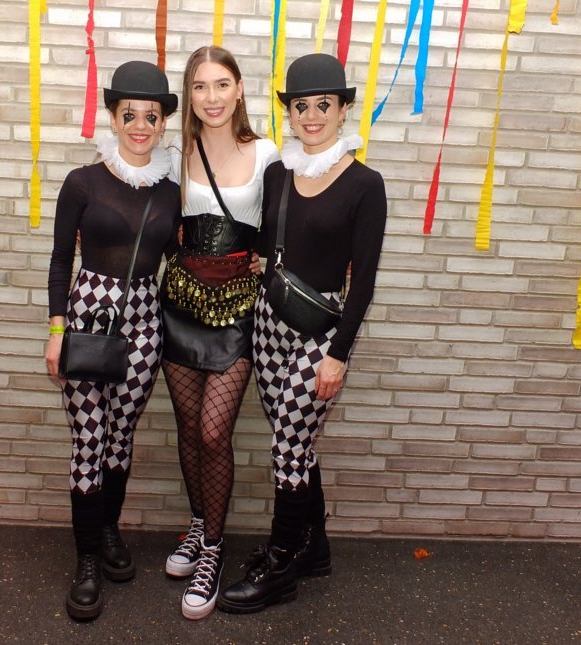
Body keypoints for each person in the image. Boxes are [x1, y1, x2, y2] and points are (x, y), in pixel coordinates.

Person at [218, 53, 387, 614]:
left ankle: (281, 564)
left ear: (342, 110)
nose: (311, 116)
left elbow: (363, 281)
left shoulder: (365, 184)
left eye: (323, 105)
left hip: (322, 332)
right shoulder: (278, 173)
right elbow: (269, 242)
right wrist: (248, 259)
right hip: (270, 326)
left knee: (287, 445)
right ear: (288, 112)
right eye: (300, 106)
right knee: (297, 441)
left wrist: (338, 355)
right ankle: (315, 548)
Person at [45, 60, 180, 622]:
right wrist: (56, 332)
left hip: (145, 325)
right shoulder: (83, 181)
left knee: (120, 439)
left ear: (163, 122)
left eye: (151, 116)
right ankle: (86, 562)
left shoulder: (171, 192)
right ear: (113, 117)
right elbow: (60, 260)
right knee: (88, 442)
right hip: (85, 321)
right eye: (130, 115)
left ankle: (107, 532)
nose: (140, 126)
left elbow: (184, 257)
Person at [160, 45, 280, 620]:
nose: (212, 97)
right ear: (190, 94)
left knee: (213, 434)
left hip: (236, 309)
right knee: (188, 429)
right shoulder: (173, 153)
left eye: (222, 84)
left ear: (239, 89)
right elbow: (157, 222)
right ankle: (198, 524)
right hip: (180, 304)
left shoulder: (268, 153)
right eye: (200, 86)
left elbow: (285, 224)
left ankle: (212, 547)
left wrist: (268, 259)